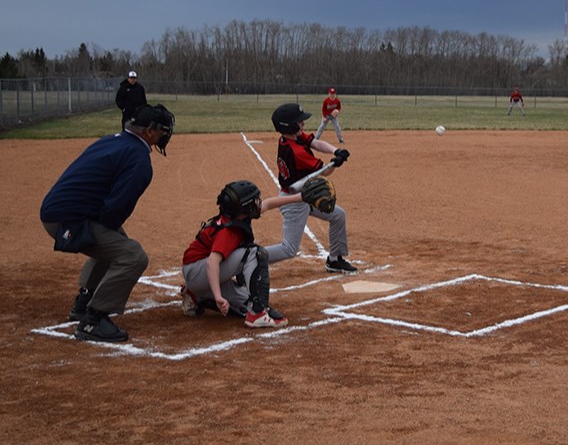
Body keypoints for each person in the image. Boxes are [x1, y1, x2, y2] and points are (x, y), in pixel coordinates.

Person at [39, 104, 175, 343]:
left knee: (114, 239)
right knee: (133, 255)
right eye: (162, 130)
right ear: (149, 131)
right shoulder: (139, 159)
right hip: (69, 219)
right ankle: (93, 319)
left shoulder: (112, 141)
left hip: (60, 210)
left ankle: (84, 301)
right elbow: (115, 208)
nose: (165, 135)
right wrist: (108, 228)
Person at [180, 181, 303, 328]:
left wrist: (301, 197)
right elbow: (211, 263)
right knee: (254, 253)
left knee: (245, 305)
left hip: (197, 275)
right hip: (198, 272)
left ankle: (197, 295)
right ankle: (258, 314)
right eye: (254, 201)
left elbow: (269, 204)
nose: (258, 204)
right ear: (245, 207)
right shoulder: (229, 231)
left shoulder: (237, 216)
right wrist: (219, 297)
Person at [268, 103, 356, 274]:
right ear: (290, 125)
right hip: (293, 201)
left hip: (305, 195)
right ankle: (251, 258)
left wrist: (336, 151)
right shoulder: (296, 152)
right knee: (289, 249)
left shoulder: (290, 137)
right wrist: (335, 164)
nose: (303, 124)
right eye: (300, 122)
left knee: (338, 215)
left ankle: (335, 260)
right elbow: (325, 172)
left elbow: (316, 143)